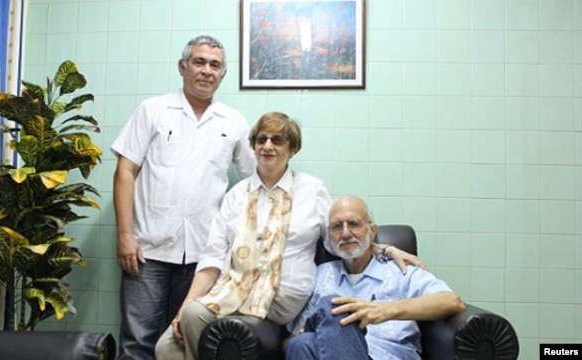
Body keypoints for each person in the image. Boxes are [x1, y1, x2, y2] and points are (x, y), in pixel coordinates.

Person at [154, 112, 425, 360]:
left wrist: (384, 249)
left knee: (192, 318)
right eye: (261, 139)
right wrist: (188, 303)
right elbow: (212, 256)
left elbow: (339, 238)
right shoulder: (237, 195)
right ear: (254, 145)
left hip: (281, 298)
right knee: (165, 347)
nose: (268, 146)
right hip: (232, 289)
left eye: (278, 140)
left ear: (292, 149)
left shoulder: (311, 190)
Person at [111, 35, 256, 360]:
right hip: (147, 251)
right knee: (137, 344)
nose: (207, 70)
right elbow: (125, 171)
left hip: (204, 257)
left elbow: (256, 176)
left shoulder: (233, 121)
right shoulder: (153, 110)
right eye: (199, 62)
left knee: (184, 343)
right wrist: (124, 237)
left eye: (215, 65)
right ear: (183, 67)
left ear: (223, 74)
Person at [285, 196, 466, 360]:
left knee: (334, 307)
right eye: (337, 227)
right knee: (301, 343)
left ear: (372, 231)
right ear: (329, 236)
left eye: (354, 224)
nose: (346, 234)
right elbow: (291, 340)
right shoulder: (321, 275)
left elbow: (452, 301)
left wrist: (385, 310)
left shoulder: (400, 271)